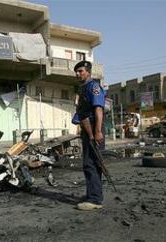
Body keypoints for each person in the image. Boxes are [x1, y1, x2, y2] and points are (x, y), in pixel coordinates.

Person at [73, 60, 106, 211]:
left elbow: (98, 110)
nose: (78, 74)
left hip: (94, 128)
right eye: (77, 72)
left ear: (88, 71)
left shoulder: (93, 86)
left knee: (91, 164)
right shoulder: (83, 88)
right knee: (90, 163)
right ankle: (92, 195)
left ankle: (94, 199)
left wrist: (97, 131)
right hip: (87, 129)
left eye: (81, 71)